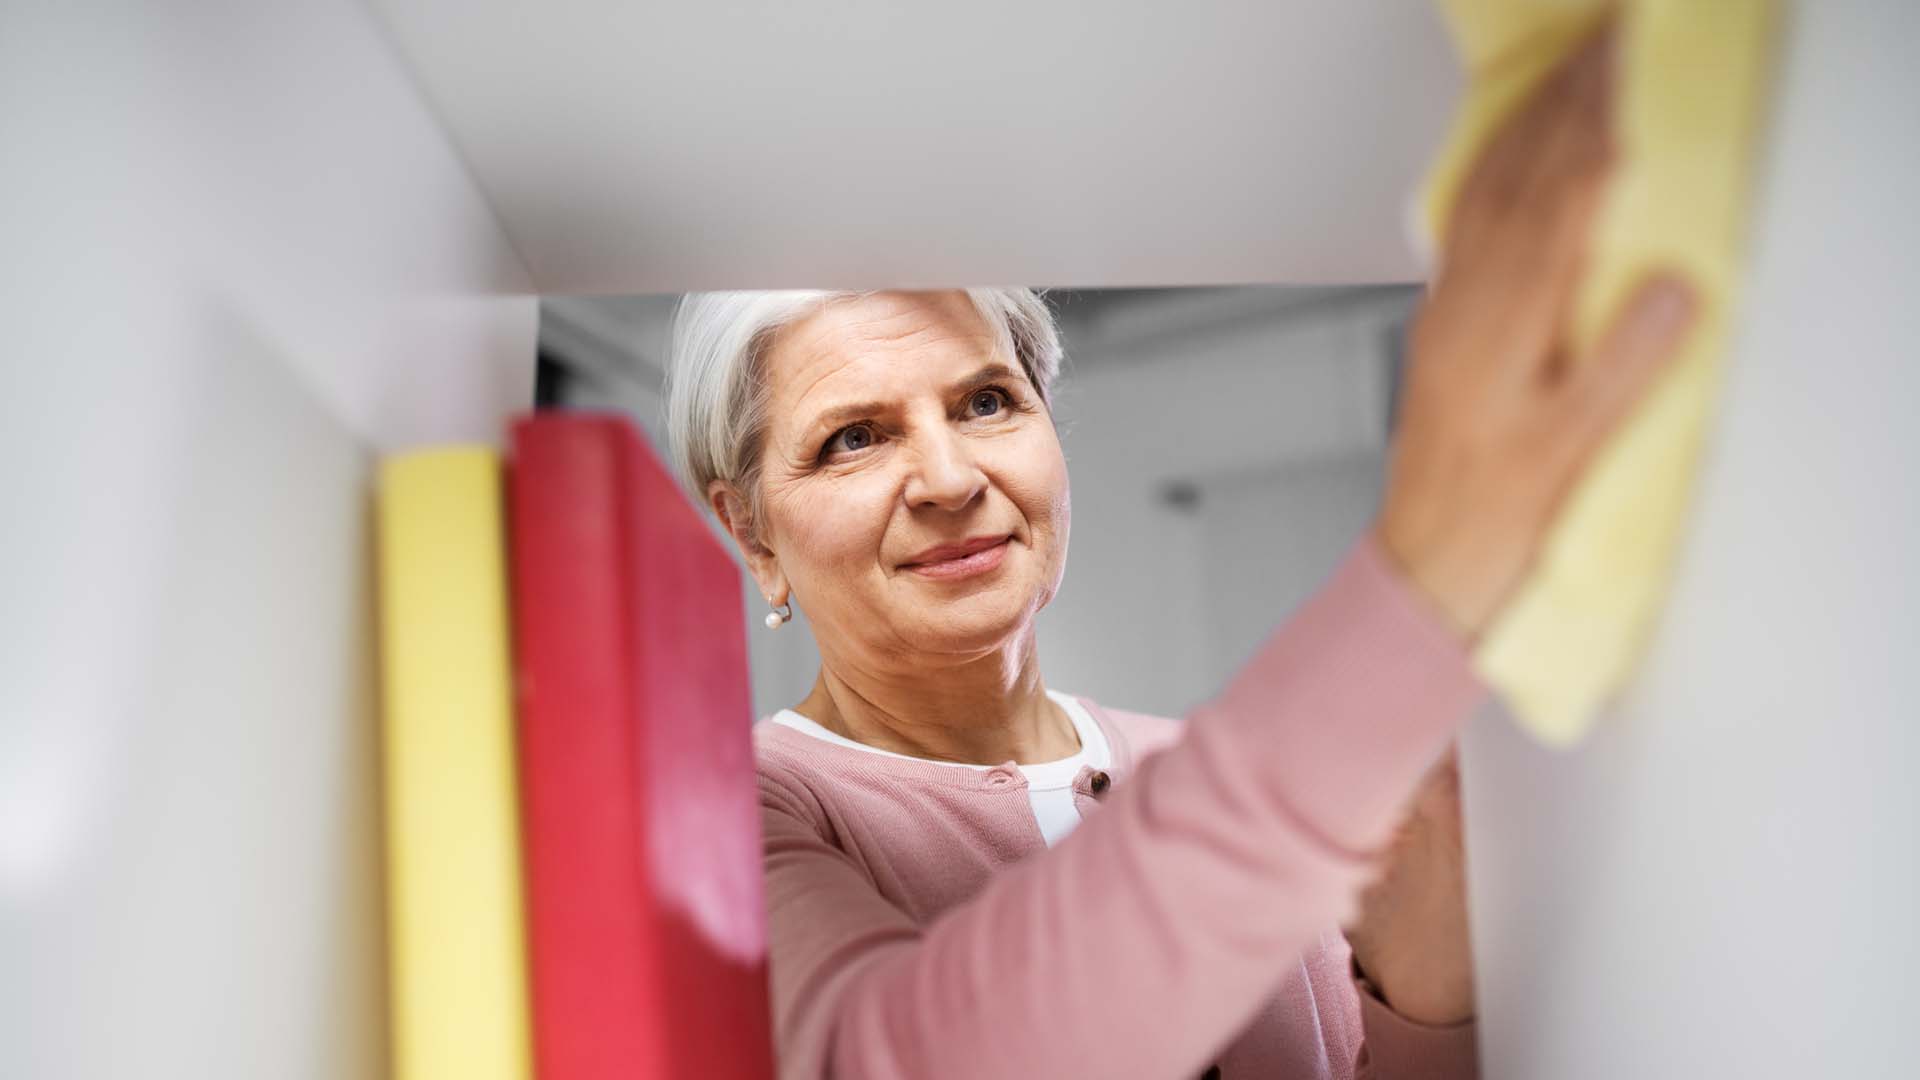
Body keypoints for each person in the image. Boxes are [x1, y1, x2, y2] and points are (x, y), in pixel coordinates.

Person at [664, 25, 1693, 1079]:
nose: (950, 478)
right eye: (855, 438)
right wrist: (1424, 579)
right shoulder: (735, 817)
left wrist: (1422, 1006)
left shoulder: (1192, 764)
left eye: (986, 402)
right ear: (751, 532)